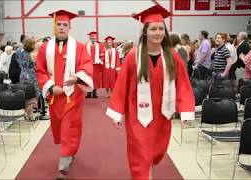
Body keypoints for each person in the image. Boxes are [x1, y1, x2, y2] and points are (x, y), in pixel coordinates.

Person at [106, 4, 195, 179]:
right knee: (140, 156)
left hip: (163, 116)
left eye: (161, 28)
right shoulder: (134, 55)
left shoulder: (172, 55)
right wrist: (116, 112)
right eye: (153, 28)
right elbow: (122, 85)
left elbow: (183, 84)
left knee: (155, 154)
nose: (158, 32)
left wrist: (185, 112)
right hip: (138, 116)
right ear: (145, 31)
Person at [36, 10, 93, 179]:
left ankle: (63, 164)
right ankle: (69, 151)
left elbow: (86, 65)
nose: (61, 28)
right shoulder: (45, 48)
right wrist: (51, 86)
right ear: (55, 27)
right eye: (59, 25)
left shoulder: (80, 47)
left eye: (65, 25)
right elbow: (40, 70)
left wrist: (78, 77)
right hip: (55, 96)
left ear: (70, 27)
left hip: (73, 95)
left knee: (70, 126)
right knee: (60, 128)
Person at [85, 31, 104, 98]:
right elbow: (84, 54)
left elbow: (102, 54)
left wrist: (100, 60)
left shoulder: (99, 45)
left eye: (95, 37)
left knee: (95, 79)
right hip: (88, 65)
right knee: (88, 78)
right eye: (92, 37)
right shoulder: (86, 45)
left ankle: (94, 92)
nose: (93, 38)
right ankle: (88, 93)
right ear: (90, 38)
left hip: (96, 65)